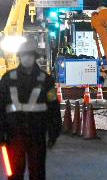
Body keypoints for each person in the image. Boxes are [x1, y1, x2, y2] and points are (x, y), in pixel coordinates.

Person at [0, 40, 62, 180]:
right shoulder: (7, 79)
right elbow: (0, 107)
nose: (26, 58)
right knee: (14, 174)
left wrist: (54, 132)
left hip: (37, 135)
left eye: (29, 55)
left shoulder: (46, 80)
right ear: (19, 57)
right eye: (23, 55)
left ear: (34, 57)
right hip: (13, 135)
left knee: (37, 173)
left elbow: (53, 107)